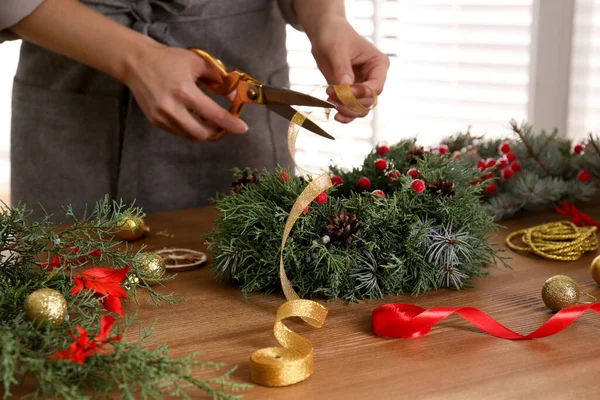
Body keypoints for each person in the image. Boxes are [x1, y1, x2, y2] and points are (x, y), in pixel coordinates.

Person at [1, 0, 389, 219]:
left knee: (243, 286)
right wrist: (135, 58)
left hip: (241, 98)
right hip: (72, 94)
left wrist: (328, 19)